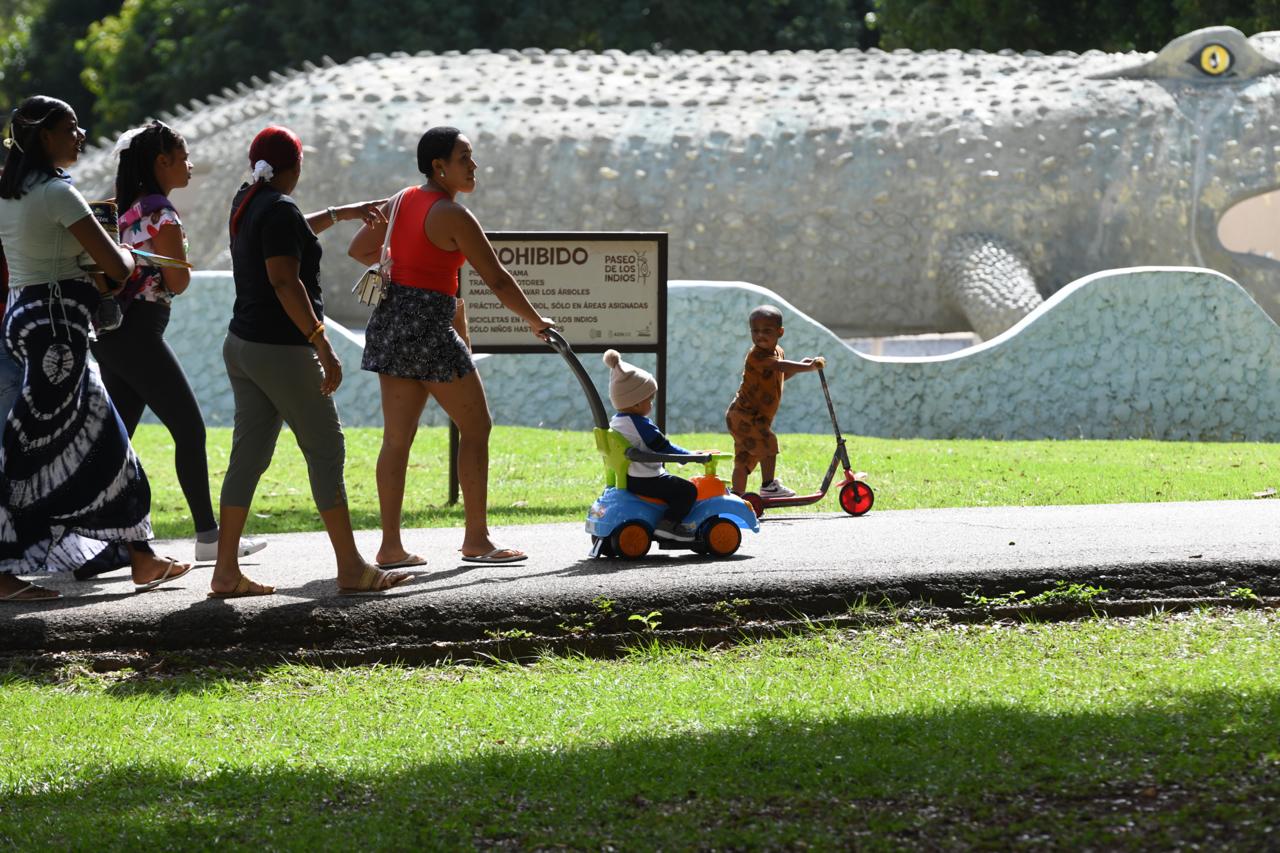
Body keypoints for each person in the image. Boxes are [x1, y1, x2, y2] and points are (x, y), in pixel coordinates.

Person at [0, 95, 191, 602]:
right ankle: (5, 569)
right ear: (45, 136)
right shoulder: (58, 194)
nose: (81, 135)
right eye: (71, 127)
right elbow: (116, 267)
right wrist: (127, 251)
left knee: (104, 438)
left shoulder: (11, 191)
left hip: (29, 318)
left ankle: (141, 556)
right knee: (27, 449)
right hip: (57, 329)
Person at [211, 124, 409, 597]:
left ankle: (225, 571)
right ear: (296, 166)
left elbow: (290, 232)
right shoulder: (279, 208)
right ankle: (351, 568)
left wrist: (341, 214)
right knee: (326, 449)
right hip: (282, 350)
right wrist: (321, 340)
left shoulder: (248, 200)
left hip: (243, 346)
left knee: (247, 457)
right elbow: (285, 279)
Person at [348, 126, 554, 567]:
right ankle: (476, 540)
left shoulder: (401, 199)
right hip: (429, 327)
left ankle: (390, 547)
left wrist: (406, 265)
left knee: (396, 440)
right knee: (477, 427)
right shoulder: (453, 215)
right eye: (464, 158)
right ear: (439, 166)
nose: (473, 165)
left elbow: (359, 248)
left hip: (392, 322)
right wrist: (536, 320)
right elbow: (498, 280)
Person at [85, 120, 265, 571]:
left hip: (112, 333)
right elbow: (178, 282)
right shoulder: (162, 213)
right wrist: (181, 258)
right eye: (183, 158)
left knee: (117, 442)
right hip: (138, 333)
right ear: (161, 162)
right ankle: (208, 537)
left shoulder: (124, 210)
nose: (189, 165)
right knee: (190, 429)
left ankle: (98, 543)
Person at [725, 304, 823, 497]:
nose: (760, 335)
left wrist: (799, 368)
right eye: (755, 331)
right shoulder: (756, 356)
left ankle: (737, 496)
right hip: (745, 415)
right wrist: (808, 367)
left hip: (749, 416)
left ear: (780, 332)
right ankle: (768, 486)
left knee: (745, 459)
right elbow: (780, 366)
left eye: (767, 331)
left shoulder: (778, 351)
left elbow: (779, 376)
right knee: (769, 442)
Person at [603, 349, 699, 542]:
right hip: (646, 479)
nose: (652, 404)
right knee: (687, 490)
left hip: (629, 477)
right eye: (650, 399)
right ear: (637, 404)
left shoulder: (616, 422)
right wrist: (689, 456)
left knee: (672, 483)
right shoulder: (640, 425)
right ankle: (669, 525)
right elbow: (663, 446)